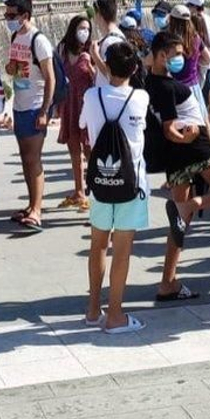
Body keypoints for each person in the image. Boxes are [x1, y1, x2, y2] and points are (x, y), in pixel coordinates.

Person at [150, 31, 210, 302]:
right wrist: (187, 136)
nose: (182, 58)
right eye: (176, 54)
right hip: (195, 147)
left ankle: (168, 281)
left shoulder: (150, 82)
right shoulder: (165, 86)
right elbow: (169, 127)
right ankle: (194, 204)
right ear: (162, 55)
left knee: (179, 223)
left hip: (175, 158)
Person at [80, 42, 150, 333]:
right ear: (133, 69)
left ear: (106, 65)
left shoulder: (91, 95)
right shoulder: (140, 97)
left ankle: (93, 309)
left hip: (101, 181)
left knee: (98, 245)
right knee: (122, 249)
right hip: (131, 182)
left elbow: (85, 125)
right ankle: (116, 314)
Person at [4, 0, 56, 233]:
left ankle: (37, 210)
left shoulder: (39, 40)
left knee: (34, 159)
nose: (8, 20)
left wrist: (45, 110)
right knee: (25, 157)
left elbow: (50, 78)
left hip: (35, 106)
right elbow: (15, 67)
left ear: (25, 15)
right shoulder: (17, 36)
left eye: (12, 16)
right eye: (7, 16)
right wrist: (12, 68)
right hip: (20, 105)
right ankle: (31, 203)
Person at [56, 14, 95, 212]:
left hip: (85, 105)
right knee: (73, 149)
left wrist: (92, 68)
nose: (85, 32)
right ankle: (78, 191)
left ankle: (95, 192)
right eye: (81, 28)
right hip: (68, 104)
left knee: (88, 149)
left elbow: (99, 79)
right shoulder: (62, 50)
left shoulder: (91, 52)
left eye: (87, 29)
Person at [187, 0, 210, 115]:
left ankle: (208, 123)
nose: (188, 9)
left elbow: (202, 42)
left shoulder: (198, 20)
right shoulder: (209, 18)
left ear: (195, 7)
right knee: (209, 93)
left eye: (189, 6)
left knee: (205, 96)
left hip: (204, 63)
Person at [167, 5, 209, 92]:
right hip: (193, 87)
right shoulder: (196, 38)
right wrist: (194, 62)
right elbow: (208, 59)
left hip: (175, 88)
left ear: (172, 20)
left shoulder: (169, 40)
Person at [89, 0, 125, 86]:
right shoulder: (117, 35)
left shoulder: (110, 41)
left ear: (99, 15)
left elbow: (113, 75)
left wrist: (95, 55)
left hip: (108, 96)